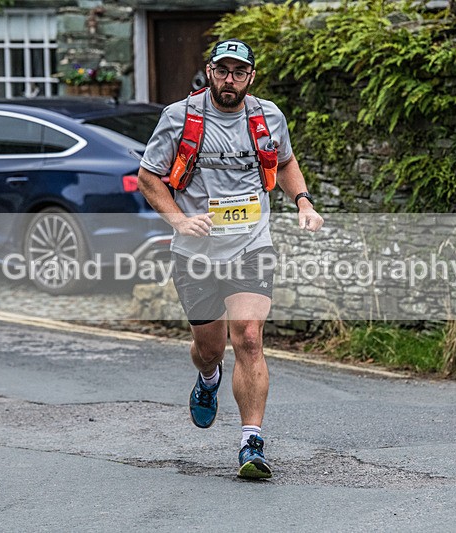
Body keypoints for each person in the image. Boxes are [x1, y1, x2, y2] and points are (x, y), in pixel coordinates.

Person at [137, 39, 324, 479]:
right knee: (210, 348)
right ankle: (207, 378)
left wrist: (303, 201)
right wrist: (179, 221)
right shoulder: (180, 117)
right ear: (210, 71)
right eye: (223, 71)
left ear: (251, 77)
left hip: (251, 245)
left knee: (250, 337)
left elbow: (286, 160)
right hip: (196, 251)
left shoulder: (268, 117)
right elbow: (148, 177)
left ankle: (251, 442)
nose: (229, 80)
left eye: (239, 72)